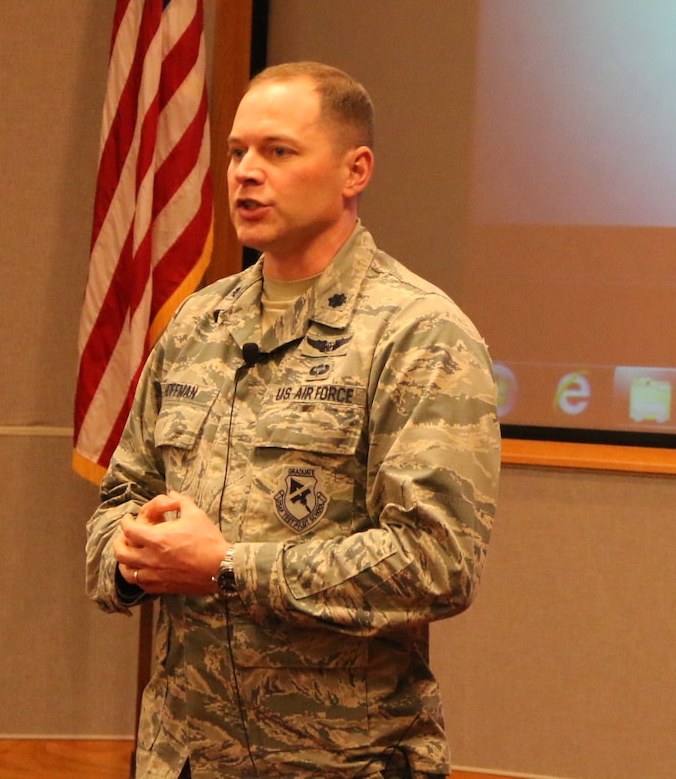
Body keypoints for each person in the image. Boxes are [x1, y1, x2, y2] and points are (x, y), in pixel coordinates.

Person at [85, 61, 499, 779]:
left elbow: (437, 561)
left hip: (342, 762)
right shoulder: (197, 322)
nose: (246, 173)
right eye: (238, 151)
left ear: (354, 170)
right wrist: (130, 556)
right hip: (182, 759)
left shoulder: (417, 333)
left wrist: (226, 567)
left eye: (278, 151)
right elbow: (117, 497)